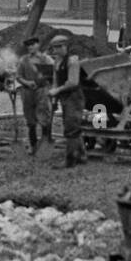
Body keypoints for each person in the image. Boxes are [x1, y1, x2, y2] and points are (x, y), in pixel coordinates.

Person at [48, 34, 87, 167]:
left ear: (64, 47)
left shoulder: (73, 61)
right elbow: (55, 79)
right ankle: (82, 155)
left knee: (71, 128)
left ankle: (70, 160)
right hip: (65, 97)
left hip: (74, 97)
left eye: (57, 48)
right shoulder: (57, 61)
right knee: (71, 126)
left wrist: (57, 90)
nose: (55, 52)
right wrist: (54, 94)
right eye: (54, 49)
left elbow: (73, 82)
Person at [14, 34, 54, 155]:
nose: (30, 47)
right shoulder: (23, 60)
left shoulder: (46, 59)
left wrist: (41, 82)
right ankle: (33, 146)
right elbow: (18, 76)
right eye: (28, 45)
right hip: (27, 93)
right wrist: (27, 82)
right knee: (30, 120)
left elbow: (52, 74)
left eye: (33, 44)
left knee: (44, 117)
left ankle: (45, 145)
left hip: (42, 91)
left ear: (38, 45)